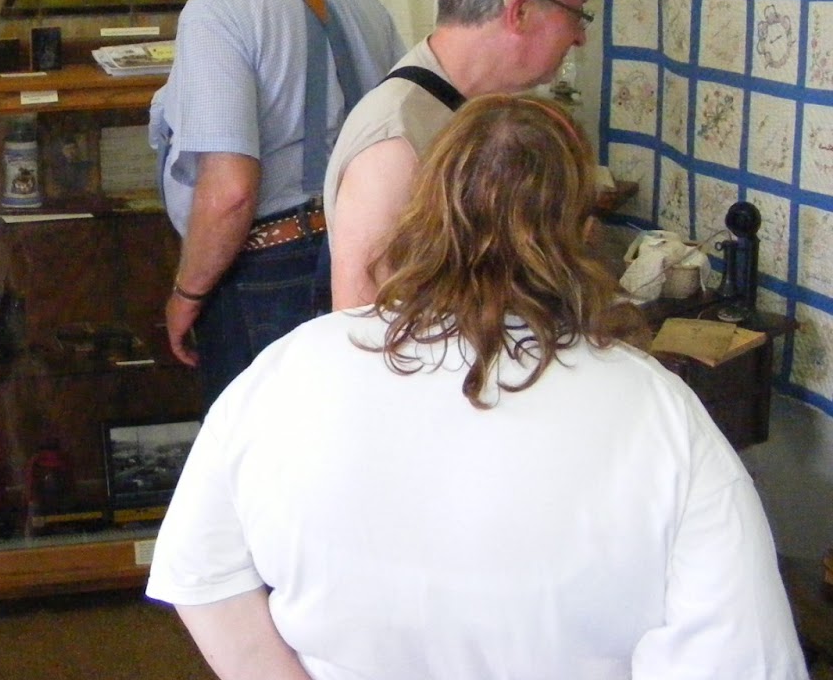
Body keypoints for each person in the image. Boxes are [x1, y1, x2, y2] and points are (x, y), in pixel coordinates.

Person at [147, 95, 805, 679]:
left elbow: (200, 576)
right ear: (581, 232)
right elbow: (739, 655)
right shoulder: (656, 409)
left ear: (423, 212)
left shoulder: (292, 369)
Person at [150, 0, 402, 406]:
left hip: (272, 273)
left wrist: (187, 291)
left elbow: (230, 191)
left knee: (264, 461)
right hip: (372, 254)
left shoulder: (217, 7)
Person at [325, 0, 634, 311]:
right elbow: (363, 331)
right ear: (520, 10)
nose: (580, 36)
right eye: (577, 14)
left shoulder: (476, 111)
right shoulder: (395, 143)